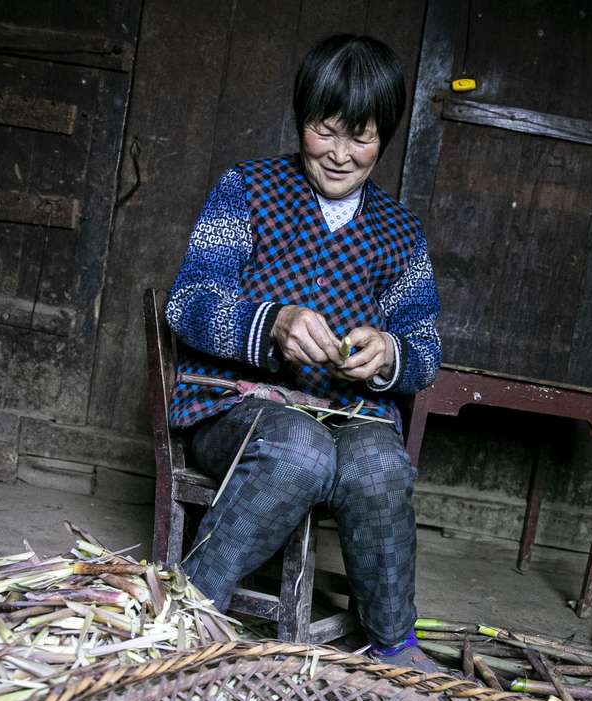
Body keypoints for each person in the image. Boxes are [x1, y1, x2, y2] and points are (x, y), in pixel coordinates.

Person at [165, 33, 441, 661]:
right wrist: (272, 324)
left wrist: (391, 355)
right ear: (300, 120)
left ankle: (394, 645)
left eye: (362, 137)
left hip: (353, 416)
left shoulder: (401, 232)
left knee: (381, 466)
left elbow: (425, 347)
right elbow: (189, 303)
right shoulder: (247, 189)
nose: (341, 154)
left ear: (385, 139)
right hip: (232, 410)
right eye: (326, 130)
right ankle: (187, 611)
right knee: (300, 448)